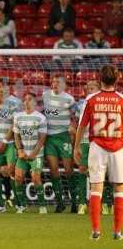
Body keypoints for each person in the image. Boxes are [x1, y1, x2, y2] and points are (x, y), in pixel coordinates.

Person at [74, 65, 123, 241]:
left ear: (99, 79)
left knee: (96, 188)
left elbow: (81, 125)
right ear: (117, 79)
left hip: (97, 147)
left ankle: (96, 230)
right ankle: (117, 231)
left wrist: (76, 146)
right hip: (118, 147)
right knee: (119, 188)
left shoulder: (91, 99)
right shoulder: (121, 99)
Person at [74, 80, 114, 215]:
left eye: (92, 87)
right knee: (82, 169)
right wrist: (77, 144)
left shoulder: (106, 101)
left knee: (106, 172)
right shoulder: (83, 103)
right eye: (87, 88)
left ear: (99, 88)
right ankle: (82, 203)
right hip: (86, 140)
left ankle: (106, 203)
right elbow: (80, 124)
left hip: (102, 140)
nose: (88, 90)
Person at [43, 75, 77, 213]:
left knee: (68, 170)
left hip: (64, 137)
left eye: (58, 82)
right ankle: (60, 202)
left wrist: (72, 126)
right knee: (53, 170)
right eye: (54, 81)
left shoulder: (69, 99)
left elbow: (75, 117)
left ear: (64, 85)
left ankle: (75, 202)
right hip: (50, 137)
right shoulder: (45, 95)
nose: (55, 84)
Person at [0, 79, 22, 212]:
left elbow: (15, 124)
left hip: (10, 142)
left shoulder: (16, 102)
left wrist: (6, 140)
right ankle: (0, 204)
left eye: (4, 86)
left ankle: (19, 202)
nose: (1, 89)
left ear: (9, 87)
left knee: (11, 171)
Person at [13, 92, 48, 214]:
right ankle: (22, 205)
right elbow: (16, 135)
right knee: (18, 177)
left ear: (34, 102)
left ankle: (42, 206)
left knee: (36, 178)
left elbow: (42, 138)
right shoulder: (18, 116)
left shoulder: (41, 117)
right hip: (23, 153)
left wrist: (34, 153)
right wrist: (20, 150)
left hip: (36, 154)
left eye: (30, 99)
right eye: (25, 99)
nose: (27, 101)